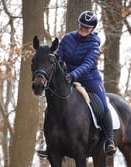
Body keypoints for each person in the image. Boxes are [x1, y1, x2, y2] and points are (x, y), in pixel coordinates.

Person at [38, 10, 116, 157]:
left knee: (104, 106)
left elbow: (88, 64)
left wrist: (73, 75)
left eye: (86, 28)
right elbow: (59, 58)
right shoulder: (67, 38)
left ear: (92, 29)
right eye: (81, 25)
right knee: (52, 107)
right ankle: (50, 145)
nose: (83, 29)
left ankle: (109, 140)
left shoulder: (94, 43)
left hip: (90, 79)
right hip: (67, 76)